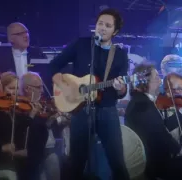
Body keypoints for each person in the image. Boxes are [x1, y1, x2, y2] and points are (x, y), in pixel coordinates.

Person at [49, 8, 130, 180]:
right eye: (100, 23)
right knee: (76, 162)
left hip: (107, 111)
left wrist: (119, 88)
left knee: (117, 162)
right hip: (81, 110)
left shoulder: (120, 55)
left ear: (115, 31)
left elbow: (122, 91)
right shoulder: (82, 45)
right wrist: (64, 87)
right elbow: (54, 66)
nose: (102, 28)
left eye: (108, 26)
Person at [125, 63, 182, 180]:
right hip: (150, 164)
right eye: (157, 78)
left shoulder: (141, 101)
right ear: (145, 82)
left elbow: (161, 126)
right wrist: (181, 149)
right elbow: (160, 134)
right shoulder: (143, 105)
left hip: (151, 159)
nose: (160, 82)